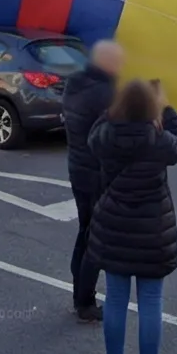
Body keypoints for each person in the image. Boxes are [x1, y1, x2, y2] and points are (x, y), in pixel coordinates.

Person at [87, 79, 177, 354]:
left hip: (114, 228)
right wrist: (166, 108)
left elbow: (92, 137)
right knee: (151, 301)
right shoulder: (158, 140)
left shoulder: (105, 135)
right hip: (152, 232)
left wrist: (110, 111)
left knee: (115, 299)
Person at [59, 40, 123, 324]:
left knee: (85, 233)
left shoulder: (76, 84)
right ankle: (85, 302)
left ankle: (80, 295)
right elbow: (117, 139)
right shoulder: (105, 93)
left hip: (78, 169)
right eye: (118, 60)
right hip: (98, 174)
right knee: (95, 240)